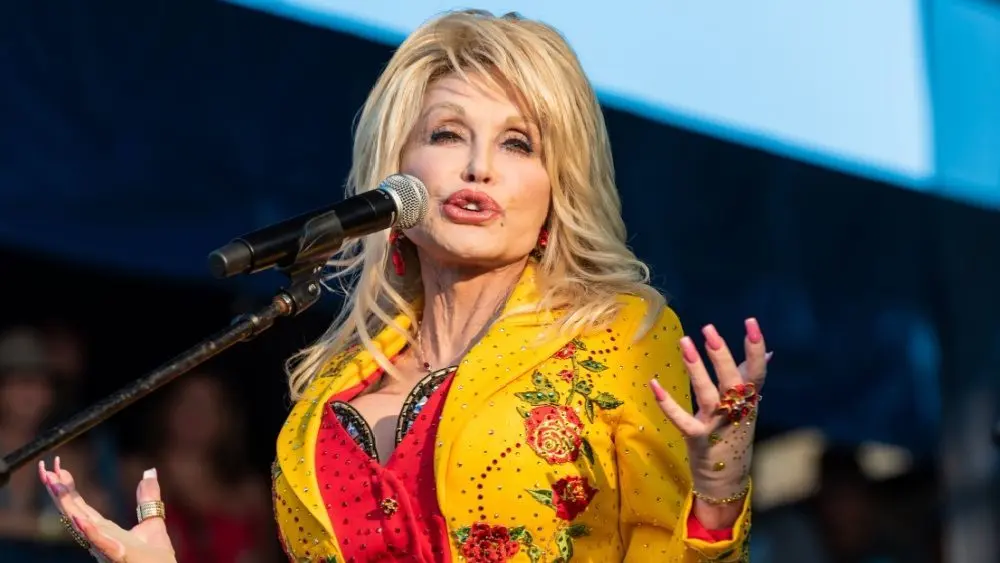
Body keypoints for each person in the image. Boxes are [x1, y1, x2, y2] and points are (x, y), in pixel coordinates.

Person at [38, 9, 770, 562]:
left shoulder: (617, 337)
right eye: (447, 133)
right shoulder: (329, 392)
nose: (478, 166)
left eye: (518, 143)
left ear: (559, 187)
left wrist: (717, 487)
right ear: (398, 170)